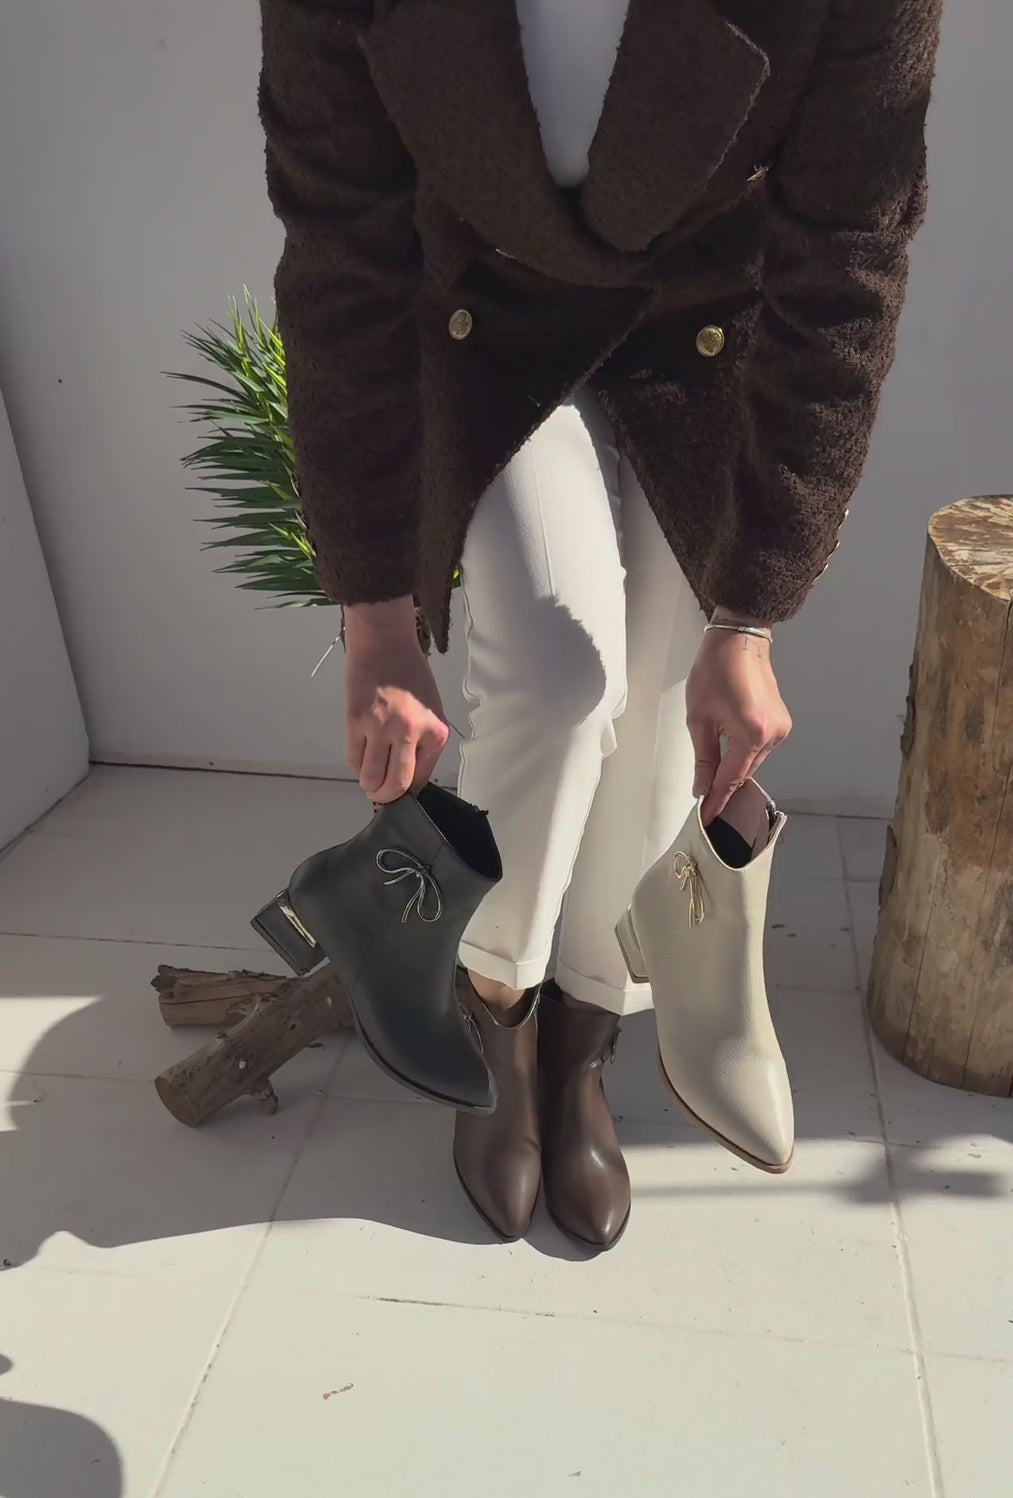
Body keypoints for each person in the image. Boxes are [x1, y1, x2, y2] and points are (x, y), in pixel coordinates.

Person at [257, 0, 942, 1248]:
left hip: (709, 334)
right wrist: (373, 615)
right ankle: (495, 1006)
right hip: (486, 322)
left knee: (659, 734)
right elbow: (341, 249)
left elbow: (845, 259)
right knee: (559, 686)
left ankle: (583, 1031)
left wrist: (749, 619)